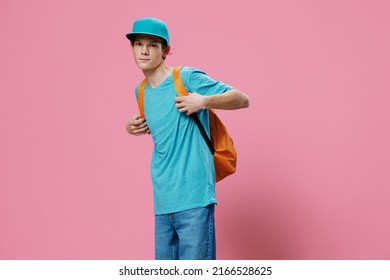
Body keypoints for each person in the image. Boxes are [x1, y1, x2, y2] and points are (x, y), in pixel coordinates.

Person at [125, 17, 249, 260]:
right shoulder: (140, 91)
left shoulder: (186, 78)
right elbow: (164, 129)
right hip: (162, 203)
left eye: (152, 45)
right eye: (138, 44)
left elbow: (242, 99)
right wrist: (130, 127)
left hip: (194, 199)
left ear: (165, 51)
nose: (144, 50)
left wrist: (203, 100)